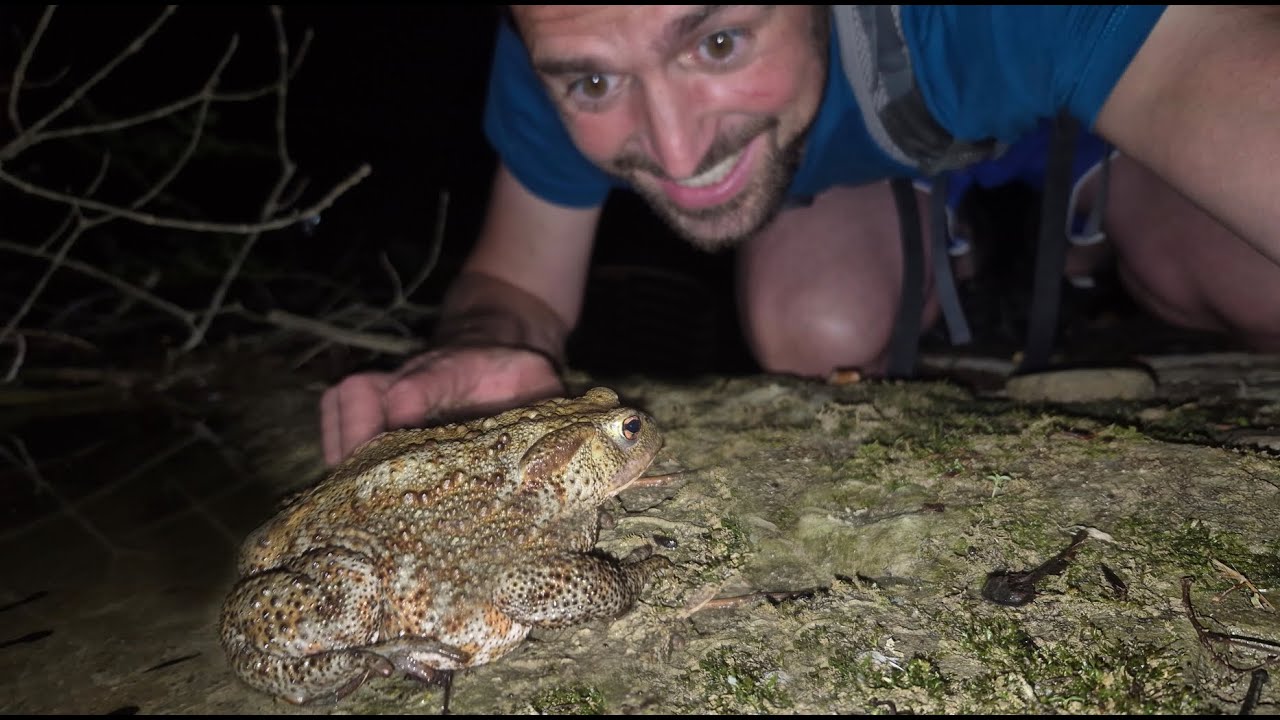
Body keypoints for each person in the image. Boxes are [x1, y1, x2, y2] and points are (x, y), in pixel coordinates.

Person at [321, 5, 1280, 465]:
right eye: (597, 85)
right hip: (891, 163)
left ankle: (1087, 218)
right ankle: (949, 232)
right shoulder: (572, 38)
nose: (675, 149)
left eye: (718, 42)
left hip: (1102, 111)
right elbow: (518, 287)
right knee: (811, 325)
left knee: (1250, 280)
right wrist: (490, 343)